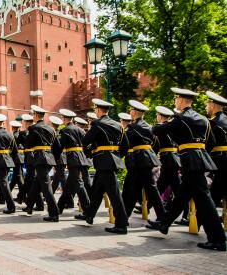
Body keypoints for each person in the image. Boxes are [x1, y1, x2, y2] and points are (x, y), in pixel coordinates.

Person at [147, 88, 226, 251]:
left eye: (176, 99)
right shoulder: (204, 120)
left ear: (182, 101)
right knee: (182, 195)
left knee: (204, 199)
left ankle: (218, 239)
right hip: (199, 158)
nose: (175, 102)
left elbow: (159, 130)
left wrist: (155, 126)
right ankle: (164, 223)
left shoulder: (180, 118)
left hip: (190, 160)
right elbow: (210, 142)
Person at [76, 98, 130, 234]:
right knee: (97, 190)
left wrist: (90, 152)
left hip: (102, 161)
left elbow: (85, 141)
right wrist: (116, 157)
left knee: (114, 193)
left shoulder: (97, 124)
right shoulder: (119, 125)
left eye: (95, 109)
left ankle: (121, 224)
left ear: (98, 110)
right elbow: (125, 146)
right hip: (111, 161)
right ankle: (89, 215)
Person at [124, 100, 165, 222]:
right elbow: (155, 142)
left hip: (139, 158)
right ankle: (124, 218)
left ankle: (162, 217)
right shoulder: (149, 126)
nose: (130, 112)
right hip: (147, 157)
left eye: (131, 110)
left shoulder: (132, 127)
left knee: (150, 189)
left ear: (135, 112)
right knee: (136, 188)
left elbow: (126, 143)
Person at [24, 105, 61, 222]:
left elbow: (28, 144)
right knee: (37, 183)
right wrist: (54, 159)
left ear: (35, 115)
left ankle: (54, 213)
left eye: (33, 115)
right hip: (49, 158)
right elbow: (58, 147)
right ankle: (29, 205)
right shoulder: (51, 129)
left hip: (40, 158)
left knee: (46, 186)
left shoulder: (33, 128)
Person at [152, 106, 187, 224]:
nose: (156, 117)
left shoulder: (163, 128)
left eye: (157, 115)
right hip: (174, 160)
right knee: (178, 190)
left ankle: (161, 217)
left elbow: (156, 146)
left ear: (160, 116)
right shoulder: (173, 127)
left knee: (159, 189)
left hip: (168, 161)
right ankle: (182, 215)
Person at [56, 109, 91, 215]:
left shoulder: (65, 130)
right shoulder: (81, 130)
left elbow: (60, 146)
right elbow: (87, 145)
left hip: (73, 159)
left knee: (79, 184)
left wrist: (55, 157)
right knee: (68, 185)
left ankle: (88, 210)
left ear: (64, 118)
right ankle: (59, 207)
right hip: (82, 158)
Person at [205, 91, 227, 208]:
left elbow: (209, 143)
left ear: (212, 105)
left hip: (220, 160)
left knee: (214, 194)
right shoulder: (225, 119)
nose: (206, 107)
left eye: (207, 104)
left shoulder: (213, 123)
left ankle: (200, 221)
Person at [9, 120, 25, 202]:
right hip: (22, 157)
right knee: (16, 177)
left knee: (19, 177)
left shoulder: (13, 136)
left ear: (12, 128)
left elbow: (11, 148)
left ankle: (23, 195)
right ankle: (10, 192)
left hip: (16, 158)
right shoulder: (22, 135)